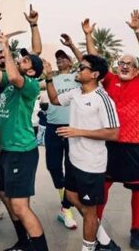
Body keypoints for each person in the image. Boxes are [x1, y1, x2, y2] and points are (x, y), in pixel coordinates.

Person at [86, 11, 139, 251]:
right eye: (121, 63)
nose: (124, 66)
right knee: (102, 188)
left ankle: (135, 230)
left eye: (129, 64)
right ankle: (96, 227)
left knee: (138, 190)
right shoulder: (111, 79)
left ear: (137, 69)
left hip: (136, 146)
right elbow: (94, 60)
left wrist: (137, 30)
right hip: (111, 143)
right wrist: (88, 35)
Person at [44, 54, 119, 251]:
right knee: (71, 196)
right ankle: (102, 238)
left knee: (90, 211)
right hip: (74, 160)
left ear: (94, 74)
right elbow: (54, 99)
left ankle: (90, 246)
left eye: (83, 67)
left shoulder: (103, 99)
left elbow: (113, 133)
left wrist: (78, 132)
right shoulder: (76, 92)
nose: (78, 69)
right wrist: (49, 77)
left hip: (91, 164)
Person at [0, 30, 48, 251]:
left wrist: (6, 46)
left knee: (21, 207)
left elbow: (13, 75)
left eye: (26, 59)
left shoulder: (29, 84)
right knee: (4, 195)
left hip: (22, 152)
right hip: (8, 151)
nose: (21, 59)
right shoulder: (11, 84)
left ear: (31, 70)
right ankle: (23, 241)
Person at [43, 41, 82, 230]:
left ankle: (66, 208)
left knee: (71, 166)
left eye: (63, 58)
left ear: (70, 62)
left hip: (72, 128)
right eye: (57, 58)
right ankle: (64, 199)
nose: (59, 60)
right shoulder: (51, 78)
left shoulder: (77, 77)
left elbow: (86, 62)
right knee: (53, 166)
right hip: (52, 127)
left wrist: (72, 46)